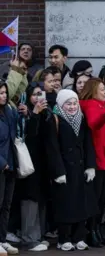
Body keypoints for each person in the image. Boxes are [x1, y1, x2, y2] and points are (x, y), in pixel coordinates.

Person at [45, 89, 98, 251]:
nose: (72, 106)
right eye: (68, 103)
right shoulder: (54, 119)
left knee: (82, 204)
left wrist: (90, 166)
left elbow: (88, 143)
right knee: (65, 206)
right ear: (61, 104)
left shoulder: (82, 118)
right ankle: (64, 238)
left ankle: (79, 237)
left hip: (81, 168)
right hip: (65, 170)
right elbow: (52, 148)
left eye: (75, 103)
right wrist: (58, 171)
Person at [79, 78, 105, 247]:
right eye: (102, 89)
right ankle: (91, 231)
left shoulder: (103, 105)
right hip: (98, 160)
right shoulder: (90, 105)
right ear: (93, 90)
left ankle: (97, 231)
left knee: (102, 199)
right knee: (96, 199)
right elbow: (93, 123)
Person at [17, 82, 52, 252]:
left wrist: (44, 113)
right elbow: (30, 137)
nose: (38, 98)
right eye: (35, 94)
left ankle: (38, 236)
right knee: (29, 199)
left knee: (41, 199)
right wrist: (35, 114)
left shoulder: (48, 112)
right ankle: (29, 238)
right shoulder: (24, 114)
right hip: (29, 162)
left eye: (41, 94)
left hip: (43, 163)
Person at [0, 81, 20, 255]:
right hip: (2, 164)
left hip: (11, 163)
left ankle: (2, 239)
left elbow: (14, 134)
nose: (4, 96)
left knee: (6, 205)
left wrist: (24, 113)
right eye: (0, 93)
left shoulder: (8, 111)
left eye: (5, 92)